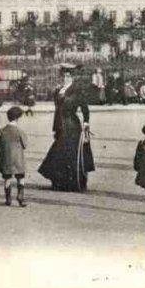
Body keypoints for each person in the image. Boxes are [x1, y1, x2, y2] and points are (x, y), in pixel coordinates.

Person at [38, 63, 94, 192]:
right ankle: (59, 181)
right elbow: (57, 110)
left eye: (69, 75)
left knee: (71, 153)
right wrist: (55, 127)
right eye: (64, 75)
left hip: (72, 125)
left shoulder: (77, 89)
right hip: (60, 124)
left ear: (73, 77)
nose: (66, 78)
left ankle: (74, 182)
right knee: (59, 153)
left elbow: (85, 108)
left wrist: (86, 122)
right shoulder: (58, 90)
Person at [0, 106, 29, 207]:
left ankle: (8, 198)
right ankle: (20, 197)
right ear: (17, 118)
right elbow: (25, 145)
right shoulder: (20, 131)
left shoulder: (1, 131)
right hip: (18, 159)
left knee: (7, 179)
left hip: (6, 159)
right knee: (21, 177)